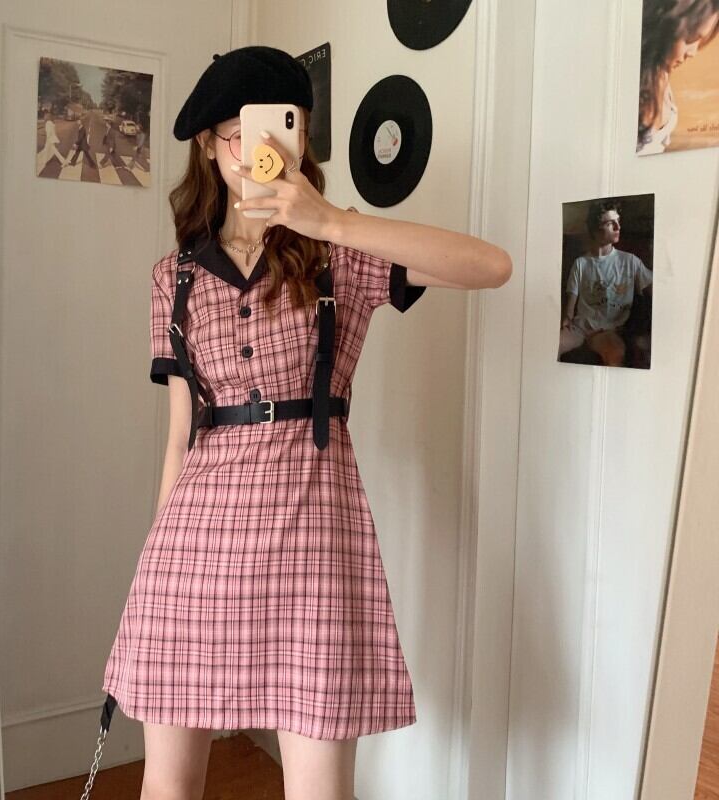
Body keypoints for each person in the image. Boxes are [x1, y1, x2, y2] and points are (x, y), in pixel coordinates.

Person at [99, 46, 511, 800]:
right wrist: (151, 567)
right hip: (193, 545)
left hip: (313, 537)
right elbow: (181, 434)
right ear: (208, 145)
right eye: (236, 135)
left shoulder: (338, 255)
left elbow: (491, 266)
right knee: (168, 787)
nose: (254, 152)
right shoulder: (174, 278)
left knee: (321, 789)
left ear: (299, 138)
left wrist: (333, 221)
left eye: (276, 130)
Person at [558, 200, 653, 367]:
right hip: (580, 328)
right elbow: (571, 304)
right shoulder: (581, 263)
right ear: (596, 230)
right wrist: (566, 321)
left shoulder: (630, 261)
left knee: (615, 352)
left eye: (618, 221)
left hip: (606, 331)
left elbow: (656, 290)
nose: (618, 227)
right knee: (551, 346)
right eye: (610, 223)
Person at [637, 0, 719, 155]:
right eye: (692, 38)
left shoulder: (661, 73)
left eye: (701, 41)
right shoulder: (634, 87)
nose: (693, 52)